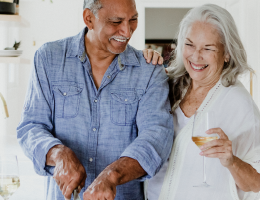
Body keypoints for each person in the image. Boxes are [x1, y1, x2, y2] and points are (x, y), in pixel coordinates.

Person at [16, 0, 174, 199]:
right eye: (116, 21)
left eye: (133, 20)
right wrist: (59, 153)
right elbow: (31, 127)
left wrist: (112, 175)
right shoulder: (49, 58)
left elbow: (156, 137)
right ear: (89, 18)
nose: (127, 31)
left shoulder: (149, 70)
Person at [142, 4, 260, 200]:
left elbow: (257, 183)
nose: (195, 56)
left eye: (208, 48)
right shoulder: (169, 85)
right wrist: (146, 64)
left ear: (226, 53)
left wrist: (231, 161)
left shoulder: (238, 103)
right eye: (190, 44)